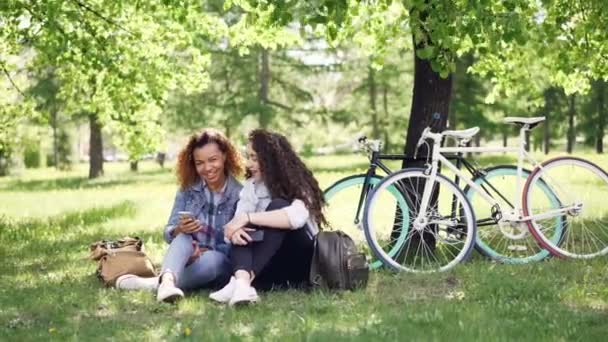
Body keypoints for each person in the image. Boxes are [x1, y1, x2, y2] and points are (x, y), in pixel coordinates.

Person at [116, 128, 244, 303]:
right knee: (183, 236)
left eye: (213, 160)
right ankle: (167, 284)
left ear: (225, 156)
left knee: (213, 260)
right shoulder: (188, 190)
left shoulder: (240, 195)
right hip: (188, 258)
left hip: (219, 263)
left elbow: (239, 247)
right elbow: (168, 232)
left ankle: (152, 284)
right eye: (200, 163)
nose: (207, 168)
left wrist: (204, 253)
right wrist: (178, 230)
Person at [209, 129, 327, 305]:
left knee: (277, 207)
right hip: (268, 268)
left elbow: (294, 219)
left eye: (255, 158)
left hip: (300, 264)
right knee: (241, 228)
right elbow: (236, 223)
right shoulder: (252, 186)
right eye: (248, 157)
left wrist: (249, 218)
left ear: (272, 160)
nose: (249, 164)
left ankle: (239, 283)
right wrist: (233, 231)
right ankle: (242, 284)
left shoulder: (298, 183)